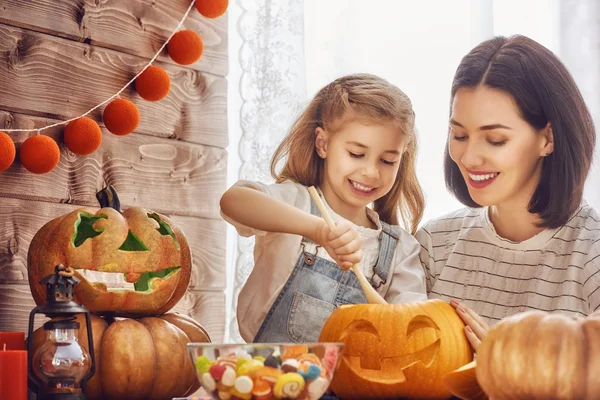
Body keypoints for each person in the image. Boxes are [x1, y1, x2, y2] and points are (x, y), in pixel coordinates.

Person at [416, 35, 600, 351]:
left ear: (548, 139)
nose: (469, 157)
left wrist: (506, 363)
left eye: (496, 140)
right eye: (459, 135)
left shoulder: (591, 256)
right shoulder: (434, 245)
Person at [221, 73, 428, 343]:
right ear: (323, 144)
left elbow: (413, 329)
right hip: (270, 375)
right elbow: (232, 201)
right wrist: (318, 229)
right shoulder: (294, 202)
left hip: (352, 383)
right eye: (356, 154)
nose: (371, 172)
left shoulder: (400, 248)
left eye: (387, 160)